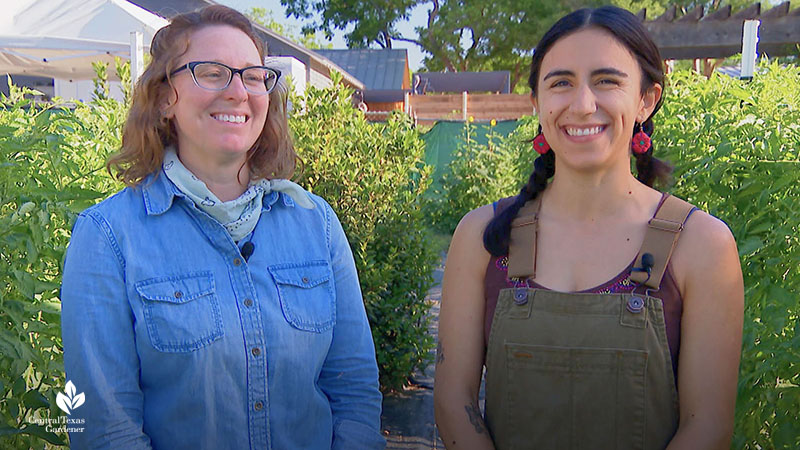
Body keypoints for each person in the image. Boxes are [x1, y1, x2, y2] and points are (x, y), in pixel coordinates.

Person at [60, 6, 385, 449]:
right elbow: (104, 428)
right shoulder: (108, 237)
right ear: (163, 99)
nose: (237, 91)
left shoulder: (317, 224)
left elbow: (355, 390)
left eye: (253, 76)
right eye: (212, 72)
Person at [434, 6, 743, 449]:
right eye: (561, 82)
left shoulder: (701, 245)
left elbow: (708, 426)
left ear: (646, 100)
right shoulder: (484, 238)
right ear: (537, 102)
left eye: (607, 81)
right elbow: (452, 403)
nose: (582, 105)